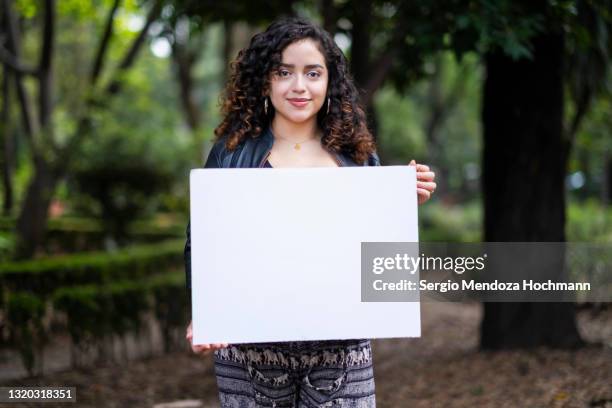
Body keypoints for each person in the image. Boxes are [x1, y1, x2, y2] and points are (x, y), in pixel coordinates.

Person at [184, 17, 436, 407]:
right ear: (264, 80)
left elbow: (375, 251)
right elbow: (202, 242)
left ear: (329, 82)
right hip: (250, 348)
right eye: (284, 72)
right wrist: (204, 312)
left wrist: (399, 203)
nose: (299, 86)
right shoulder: (232, 154)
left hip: (341, 350)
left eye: (312, 73)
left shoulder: (358, 156)